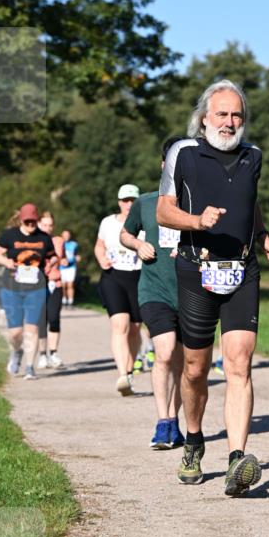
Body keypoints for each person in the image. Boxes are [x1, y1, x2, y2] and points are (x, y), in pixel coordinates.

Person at [157, 79, 269, 496]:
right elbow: (163, 211)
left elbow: (252, 201)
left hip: (242, 271)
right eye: (222, 114)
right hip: (197, 271)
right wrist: (197, 223)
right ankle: (194, 441)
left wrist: (263, 236)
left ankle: (236, 459)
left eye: (237, 115)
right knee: (194, 369)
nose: (230, 122)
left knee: (239, 365)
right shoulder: (184, 154)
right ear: (204, 118)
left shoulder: (254, 156)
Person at [120, 136, 186, 450]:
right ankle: (163, 422)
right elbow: (124, 233)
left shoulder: (195, 205)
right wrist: (138, 244)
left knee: (186, 363)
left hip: (190, 293)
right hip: (154, 290)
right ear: (163, 166)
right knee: (165, 352)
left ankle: (175, 421)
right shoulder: (145, 202)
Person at [0, 203, 57, 380]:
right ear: (21, 220)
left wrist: (51, 264)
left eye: (33, 222)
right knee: (15, 332)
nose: (30, 225)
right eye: (27, 222)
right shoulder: (9, 235)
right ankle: (17, 352)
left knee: (32, 329)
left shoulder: (44, 238)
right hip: (11, 288)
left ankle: (29, 367)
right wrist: (7, 262)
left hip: (36, 288)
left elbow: (53, 255)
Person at [94, 184, 144, 396]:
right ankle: (122, 374)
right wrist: (101, 258)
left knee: (134, 327)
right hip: (113, 276)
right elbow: (99, 245)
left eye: (133, 200)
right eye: (125, 200)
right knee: (119, 325)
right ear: (119, 202)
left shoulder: (145, 224)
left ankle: (130, 371)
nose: (129, 204)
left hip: (138, 276)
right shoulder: (108, 222)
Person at [37, 211, 65, 369]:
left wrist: (64, 260)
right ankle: (42, 355)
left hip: (55, 283)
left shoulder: (58, 240)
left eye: (50, 225)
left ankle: (53, 352)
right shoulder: (35, 241)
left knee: (54, 318)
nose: (47, 228)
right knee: (42, 320)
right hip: (38, 284)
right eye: (44, 225)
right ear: (39, 224)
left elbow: (61, 256)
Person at [60, 230, 80, 306]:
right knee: (63, 285)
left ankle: (71, 301)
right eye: (64, 235)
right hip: (62, 267)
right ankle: (64, 299)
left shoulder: (74, 244)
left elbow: (76, 254)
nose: (66, 236)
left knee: (70, 284)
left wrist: (77, 257)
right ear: (62, 236)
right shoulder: (60, 244)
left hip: (71, 267)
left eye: (67, 235)